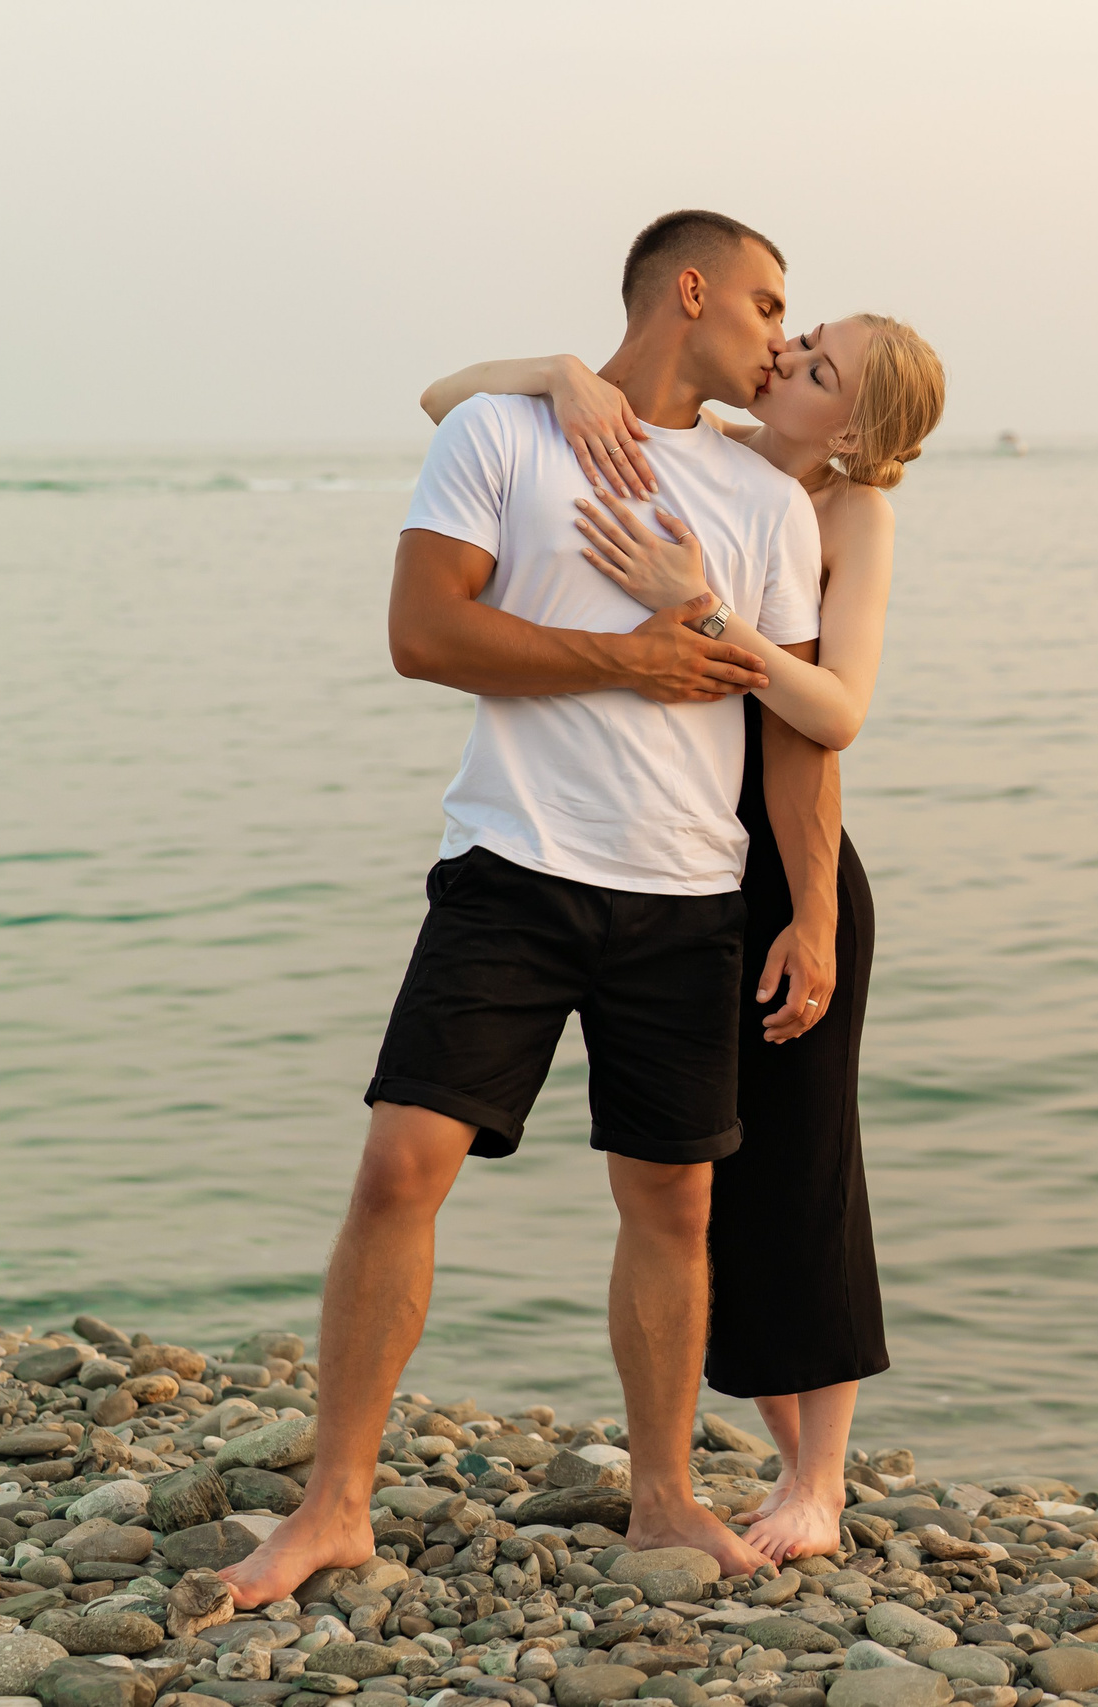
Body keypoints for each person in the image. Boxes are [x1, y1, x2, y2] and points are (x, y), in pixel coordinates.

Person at [220, 208, 831, 1608]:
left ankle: (666, 1496)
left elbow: (801, 731)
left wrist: (814, 913)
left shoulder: (767, 502)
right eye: (765, 302)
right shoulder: (504, 433)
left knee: (675, 1200)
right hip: (512, 866)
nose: (782, 335)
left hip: (688, 890)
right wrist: (623, 658)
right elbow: (424, 632)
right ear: (689, 290)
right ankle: (335, 1503)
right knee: (398, 1167)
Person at [416, 312, 944, 1559]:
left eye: (816, 369)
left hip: (791, 872)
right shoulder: (704, 442)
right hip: (672, 853)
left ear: (857, 430)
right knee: (713, 1175)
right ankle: (778, 1461)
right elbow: (448, 399)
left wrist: (699, 609)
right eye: (801, 334)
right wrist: (556, 373)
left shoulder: (849, 516)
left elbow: (836, 710)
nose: (785, 358)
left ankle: (821, 1483)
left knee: (807, 1158)